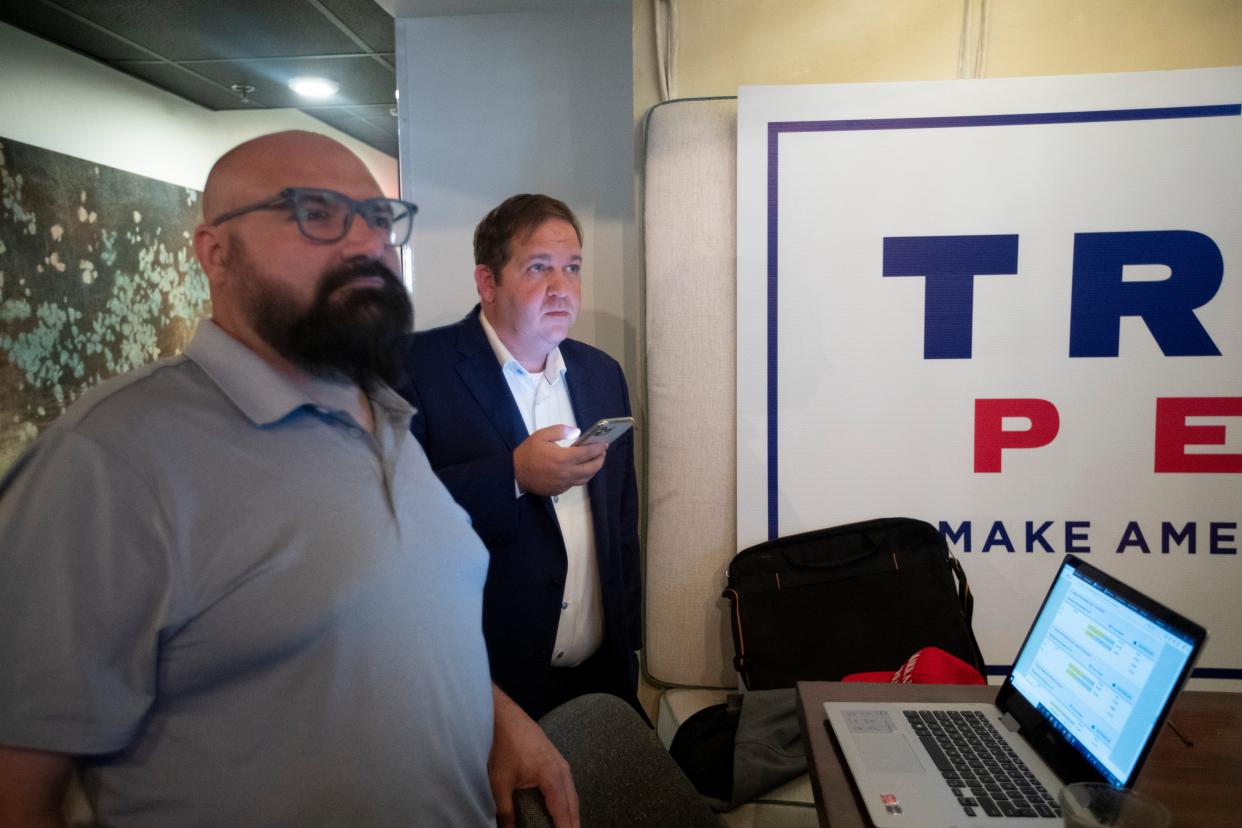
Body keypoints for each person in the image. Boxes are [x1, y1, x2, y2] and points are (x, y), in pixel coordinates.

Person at [0, 131, 577, 828]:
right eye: (317, 213)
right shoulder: (107, 461)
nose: (365, 243)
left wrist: (499, 718)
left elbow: (386, 623)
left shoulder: (389, 416)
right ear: (214, 252)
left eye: (378, 218)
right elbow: (19, 784)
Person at [397, 195, 642, 722]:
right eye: (539, 268)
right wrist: (511, 476)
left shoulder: (602, 373)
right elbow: (389, 513)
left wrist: (630, 641)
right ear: (487, 283)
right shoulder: (416, 367)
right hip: (483, 692)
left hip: (600, 682)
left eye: (572, 268)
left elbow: (621, 521)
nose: (561, 288)